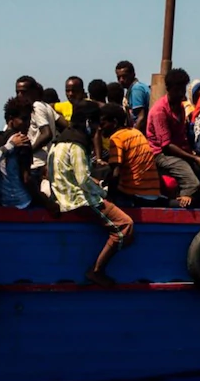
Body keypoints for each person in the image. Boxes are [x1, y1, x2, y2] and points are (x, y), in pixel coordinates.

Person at [46, 101, 135, 285]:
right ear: (88, 122)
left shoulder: (59, 142)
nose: (97, 129)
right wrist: (102, 192)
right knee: (125, 226)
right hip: (78, 199)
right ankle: (97, 270)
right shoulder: (77, 145)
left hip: (61, 195)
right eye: (95, 124)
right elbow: (83, 180)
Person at [145, 67, 200, 203]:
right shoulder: (159, 111)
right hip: (161, 154)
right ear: (168, 88)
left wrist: (195, 156)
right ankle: (181, 204)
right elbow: (166, 146)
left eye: (182, 90)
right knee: (192, 183)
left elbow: (182, 137)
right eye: (177, 90)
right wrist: (193, 159)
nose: (181, 93)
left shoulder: (180, 108)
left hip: (179, 151)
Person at [96, 103, 169, 207]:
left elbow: (115, 174)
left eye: (102, 124)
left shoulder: (117, 138)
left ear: (115, 122)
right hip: (152, 194)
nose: (100, 128)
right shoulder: (135, 132)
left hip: (135, 195)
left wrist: (109, 199)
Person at [0, 96, 36, 210]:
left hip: (1, 201)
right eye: (24, 119)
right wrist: (47, 203)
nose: (28, 124)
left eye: (29, 120)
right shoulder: (23, 141)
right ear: (11, 119)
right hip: (21, 202)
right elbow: (26, 179)